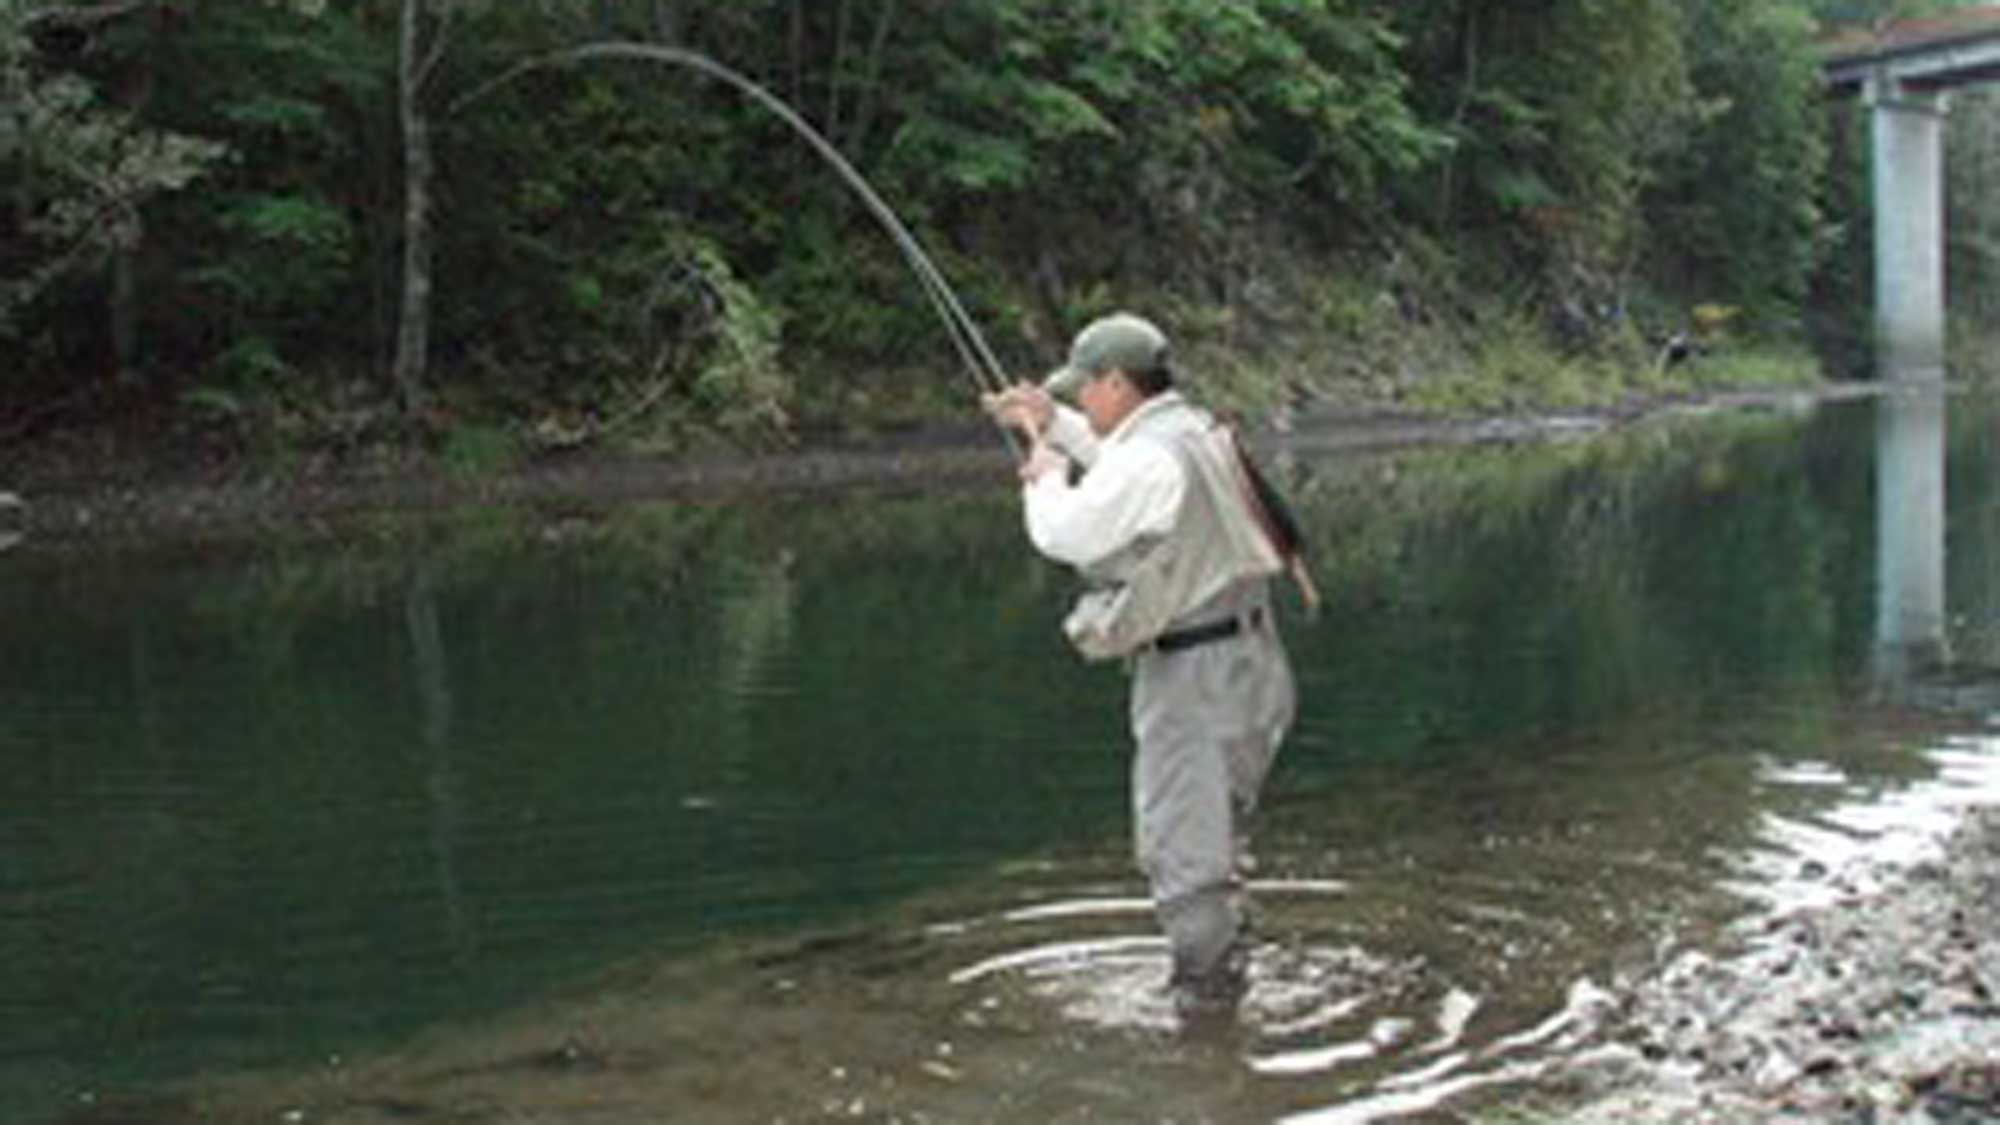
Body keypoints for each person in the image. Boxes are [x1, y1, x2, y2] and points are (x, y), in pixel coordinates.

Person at [983, 311, 1297, 1012]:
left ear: (1119, 384)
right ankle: (1226, 987)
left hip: (1195, 677)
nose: (1079, 398)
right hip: (1248, 663)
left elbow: (1069, 531)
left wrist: (1044, 477)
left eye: (1084, 387)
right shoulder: (1190, 430)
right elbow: (1125, 466)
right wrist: (1053, 423)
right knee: (1213, 840)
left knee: (1184, 854)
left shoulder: (1151, 457)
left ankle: (1205, 1019)